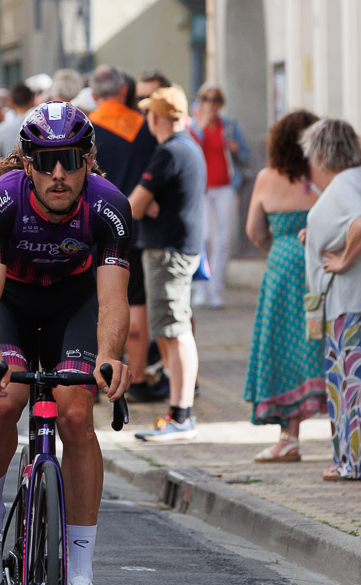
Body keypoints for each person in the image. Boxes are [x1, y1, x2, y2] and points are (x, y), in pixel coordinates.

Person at [0, 102, 131, 585]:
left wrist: (108, 357)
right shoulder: (0, 200)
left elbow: (112, 301)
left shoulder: (109, 206)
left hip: (73, 305)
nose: (57, 173)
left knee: (78, 416)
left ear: (87, 160)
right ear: (27, 162)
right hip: (12, 303)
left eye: (68, 159)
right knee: (4, 398)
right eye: (44, 161)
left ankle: (81, 574)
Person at [301, 119, 361, 482]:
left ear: (324, 153)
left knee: (347, 380)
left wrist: (342, 260)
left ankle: (353, 463)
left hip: (350, 294)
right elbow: (351, 224)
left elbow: (360, 223)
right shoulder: (360, 177)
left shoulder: (343, 185)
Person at [243, 110, 325, 461]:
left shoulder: (266, 178)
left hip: (279, 270)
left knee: (282, 345)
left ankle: (288, 437)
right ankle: (341, 433)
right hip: (318, 267)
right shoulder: (322, 177)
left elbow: (254, 231)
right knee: (320, 342)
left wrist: (279, 246)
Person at [128, 86, 205, 442]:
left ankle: (181, 414)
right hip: (177, 248)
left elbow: (134, 206)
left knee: (175, 331)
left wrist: (147, 204)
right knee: (171, 331)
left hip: (167, 252)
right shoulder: (188, 146)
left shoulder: (169, 153)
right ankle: (178, 411)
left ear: (155, 118)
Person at [88, 65, 161, 403]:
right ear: (122, 91)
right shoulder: (142, 127)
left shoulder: (85, 127)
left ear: (93, 94)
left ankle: (87, 373)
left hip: (86, 223)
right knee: (134, 300)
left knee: (89, 300)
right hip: (130, 226)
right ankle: (139, 375)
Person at [190, 82, 250, 309]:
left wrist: (236, 150)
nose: (211, 104)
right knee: (202, 238)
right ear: (201, 101)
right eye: (206, 99)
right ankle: (201, 289)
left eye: (215, 99)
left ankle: (216, 290)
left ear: (221, 103)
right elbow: (190, 153)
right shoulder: (195, 127)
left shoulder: (230, 127)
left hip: (226, 187)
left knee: (222, 240)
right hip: (202, 189)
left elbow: (245, 156)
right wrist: (200, 128)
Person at [0, 83, 36, 160]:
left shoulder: (0, 130)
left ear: (11, 102)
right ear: (32, 100)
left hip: (9, 171)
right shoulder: (41, 127)